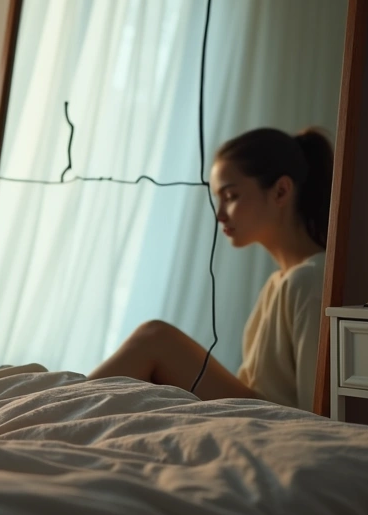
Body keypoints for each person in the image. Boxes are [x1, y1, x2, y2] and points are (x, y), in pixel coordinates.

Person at [87, 127, 333, 412]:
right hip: (259, 413)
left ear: (280, 191)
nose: (219, 214)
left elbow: (318, 411)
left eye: (231, 196)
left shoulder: (310, 279)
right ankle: (57, 408)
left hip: (274, 423)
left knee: (156, 338)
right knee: (154, 340)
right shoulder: (282, 280)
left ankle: (53, 410)